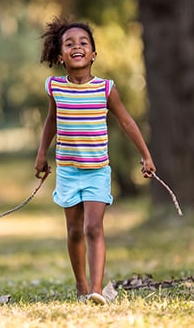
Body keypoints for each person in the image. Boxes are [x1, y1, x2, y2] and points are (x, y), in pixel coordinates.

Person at [34, 16, 156, 305]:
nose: (77, 46)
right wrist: (41, 154)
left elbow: (126, 122)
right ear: (61, 56)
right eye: (69, 44)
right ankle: (81, 286)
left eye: (83, 43)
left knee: (93, 227)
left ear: (93, 55)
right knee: (74, 230)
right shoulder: (55, 88)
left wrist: (146, 155)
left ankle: (96, 291)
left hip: (97, 171)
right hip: (67, 170)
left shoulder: (105, 89)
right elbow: (52, 121)